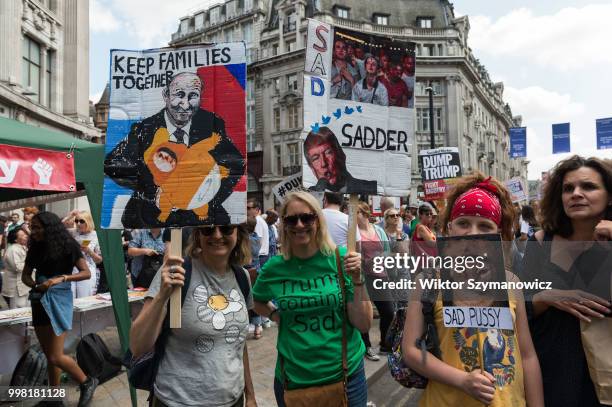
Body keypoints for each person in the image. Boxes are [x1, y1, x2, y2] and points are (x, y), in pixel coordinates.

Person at [402, 173, 545, 407]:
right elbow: (411, 350)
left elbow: (527, 355)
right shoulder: (428, 281)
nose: (472, 232)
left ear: (497, 235)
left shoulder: (511, 283)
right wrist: (463, 380)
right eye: (464, 223)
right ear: (449, 229)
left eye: (484, 226)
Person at [252, 191, 372, 406]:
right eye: (291, 219)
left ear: (318, 220)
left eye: (306, 217)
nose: (299, 225)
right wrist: (275, 315)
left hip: (345, 375)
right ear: (284, 225)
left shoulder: (341, 259)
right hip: (293, 378)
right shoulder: (274, 268)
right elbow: (257, 301)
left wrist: (358, 280)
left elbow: (363, 324)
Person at [130, 224, 257, 407]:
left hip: (233, 400)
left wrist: (250, 395)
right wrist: (161, 296)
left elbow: (238, 341)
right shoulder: (176, 272)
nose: (217, 235)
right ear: (198, 235)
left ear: (238, 233)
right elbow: (137, 346)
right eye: (208, 229)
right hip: (177, 401)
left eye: (227, 228)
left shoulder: (242, 277)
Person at [522, 156, 612, 407]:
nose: (576, 194)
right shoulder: (541, 241)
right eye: (568, 188)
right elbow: (521, 308)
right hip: (551, 373)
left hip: (604, 378)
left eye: (589, 187)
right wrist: (548, 297)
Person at [104, 71, 245, 228]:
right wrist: (153, 189)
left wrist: (205, 195)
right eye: (179, 94)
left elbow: (236, 163)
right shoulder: (145, 128)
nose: (185, 104)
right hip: (152, 216)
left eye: (193, 96)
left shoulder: (211, 123)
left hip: (200, 220)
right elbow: (113, 164)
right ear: (166, 95)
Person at [21, 212, 98, 406]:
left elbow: (86, 273)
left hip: (59, 300)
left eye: (38, 227)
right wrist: (36, 285)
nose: (34, 231)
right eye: (33, 227)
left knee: (56, 355)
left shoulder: (68, 246)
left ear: (51, 227)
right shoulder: (35, 247)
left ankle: (87, 381)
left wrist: (61, 279)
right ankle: (54, 399)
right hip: (39, 300)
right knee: (50, 356)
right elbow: (26, 276)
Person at [356, 202, 394, 360]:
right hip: (364, 278)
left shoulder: (378, 230)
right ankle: (366, 347)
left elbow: (387, 250)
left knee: (388, 312)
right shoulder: (354, 232)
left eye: (355, 212)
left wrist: (382, 260)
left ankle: (385, 344)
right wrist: (364, 261)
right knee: (364, 313)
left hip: (381, 276)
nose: (352, 216)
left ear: (364, 213)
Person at [304, 126, 377, 194]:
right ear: (312, 169)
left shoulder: (371, 189)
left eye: (328, 153)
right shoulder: (308, 196)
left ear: (341, 155)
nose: (323, 163)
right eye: (316, 158)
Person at [63, 210, 103, 298]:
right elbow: (57, 227)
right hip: (71, 270)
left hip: (87, 270)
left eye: (81, 221)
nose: (78, 224)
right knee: (70, 297)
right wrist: (70, 216)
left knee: (84, 299)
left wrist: (89, 251)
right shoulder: (74, 232)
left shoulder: (95, 235)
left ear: (88, 221)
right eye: (76, 221)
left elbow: (99, 260)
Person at [2, 228, 30, 309]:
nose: (26, 236)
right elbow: (17, 267)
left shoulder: (23, 247)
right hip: (16, 286)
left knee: (25, 308)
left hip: (23, 284)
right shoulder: (13, 249)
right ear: (15, 239)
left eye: (25, 234)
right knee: (18, 309)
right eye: (22, 235)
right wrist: (31, 264)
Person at [247, 199, 269, 267]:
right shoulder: (259, 219)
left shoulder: (257, 220)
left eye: (248, 208)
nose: (246, 210)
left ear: (256, 209)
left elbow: (257, 240)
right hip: (261, 256)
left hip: (259, 257)